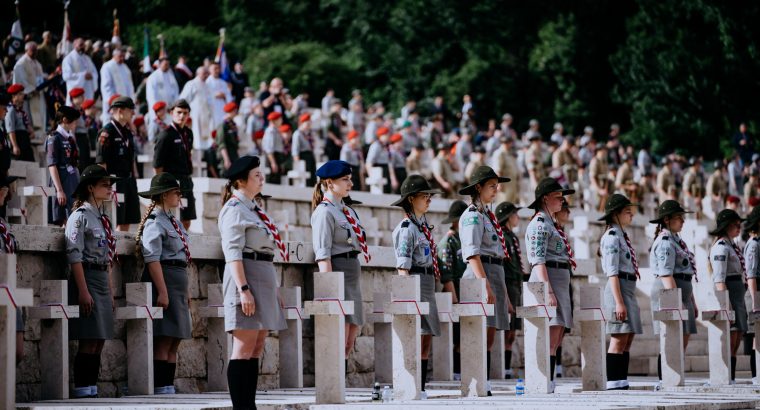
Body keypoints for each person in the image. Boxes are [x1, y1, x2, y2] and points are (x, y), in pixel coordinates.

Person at [219, 156, 287, 409]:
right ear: (241, 180)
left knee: (257, 345)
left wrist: (274, 287)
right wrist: (243, 289)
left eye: (261, 173)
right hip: (246, 275)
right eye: (256, 175)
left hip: (263, 274)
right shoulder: (234, 209)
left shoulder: (254, 208)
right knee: (244, 345)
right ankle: (241, 406)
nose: (262, 178)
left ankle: (250, 404)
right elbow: (233, 251)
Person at [458, 165, 514, 395]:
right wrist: (485, 284)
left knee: (490, 332)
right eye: (491, 186)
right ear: (478, 188)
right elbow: (472, 253)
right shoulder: (472, 216)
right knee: (479, 332)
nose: (496, 189)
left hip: (495, 272)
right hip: (481, 273)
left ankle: (484, 380)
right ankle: (475, 381)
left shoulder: (488, 215)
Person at [135, 173, 192, 394]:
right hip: (165, 280)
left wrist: (185, 290)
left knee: (176, 337)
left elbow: (183, 258)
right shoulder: (155, 222)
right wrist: (162, 291)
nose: (179, 196)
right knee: (164, 338)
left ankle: (168, 385)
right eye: (176, 192)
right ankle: (161, 386)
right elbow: (152, 258)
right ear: (164, 194)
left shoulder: (174, 222)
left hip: (178, 280)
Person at [65, 165, 119, 398]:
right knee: (88, 337)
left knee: (100, 338)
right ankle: (82, 388)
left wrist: (110, 288)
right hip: (86, 277)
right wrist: (83, 291)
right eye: (104, 185)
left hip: (100, 278)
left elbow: (107, 257)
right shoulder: (80, 217)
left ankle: (92, 386)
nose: (109, 189)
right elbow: (74, 255)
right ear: (90, 187)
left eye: (110, 185)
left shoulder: (101, 218)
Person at [311, 160, 371, 369]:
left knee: (350, 336)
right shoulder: (324, 212)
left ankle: (341, 381)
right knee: (340, 335)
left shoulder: (348, 211)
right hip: (337, 272)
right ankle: (335, 384)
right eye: (345, 180)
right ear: (329, 183)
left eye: (350, 179)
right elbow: (323, 253)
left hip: (352, 272)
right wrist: (329, 288)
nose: (350, 183)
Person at [391, 175, 443, 397]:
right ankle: (413, 384)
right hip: (415, 281)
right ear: (411, 199)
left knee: (427, 334)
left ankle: (421, 385)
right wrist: (406, 295)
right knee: (418, 334)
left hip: (427, 282)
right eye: (425, 196)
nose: (429, 199)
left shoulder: (422, 227)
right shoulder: (407, 228)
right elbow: (403, 265)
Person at [525, 177, 576, 392]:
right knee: (550, 336)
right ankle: (543, 381)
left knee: (556, 336)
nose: (562, 201)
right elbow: (538, 259)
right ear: (545, 198)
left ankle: (550, 381)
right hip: (549, 278)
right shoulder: (539, 224)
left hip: (560, 279)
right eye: (558, 197)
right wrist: (548, 289)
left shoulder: (551, 224)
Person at [648, 199, 698, 387]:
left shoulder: (678, 241)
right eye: (679, 217)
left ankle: (675, 377)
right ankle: (664, 379)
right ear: (667, 220)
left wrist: (691, 300)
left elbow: (686, 273)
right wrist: (677, 300)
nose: (683, 221)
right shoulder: (665, 242)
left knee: (682, 338)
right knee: (670, 339)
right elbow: (666, 273)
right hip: (670, 292)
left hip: (682, 292)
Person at [598, 194, 643, 390]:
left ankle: (621, 380)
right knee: (618, 336)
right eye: (627, 211)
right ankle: (614, 382)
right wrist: (618, 302)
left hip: (628, 288)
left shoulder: (622, 236)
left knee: (628, 336)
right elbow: (612, 272)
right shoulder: (611, 238)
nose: (631, 214)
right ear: (615, 214)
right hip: (619, 288)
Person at [709, 208, 748, 383]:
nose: (739, 227)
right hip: (729, 292)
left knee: (738, 333)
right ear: (726, 226)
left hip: (738, 294)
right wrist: (726, 303)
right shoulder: (721, 248)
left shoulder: (732, 245)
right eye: (735, 224)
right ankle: (726, 376)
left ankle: (730, 376)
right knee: (731, 336)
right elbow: (719, 277)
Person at [95, 96, 140, 231]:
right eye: (130, 110)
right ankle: (114, 250)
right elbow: (101, 162)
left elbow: (131, 158)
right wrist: (105, 184)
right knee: (115, 219)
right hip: (114, 181)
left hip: (129, 179)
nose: (133, 113)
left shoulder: (127, 132)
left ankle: (122, 252)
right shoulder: (107, 132)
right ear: (120, 110)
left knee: (127, 219)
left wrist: (134, 177)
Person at [153, 99, 196, 230]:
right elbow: (158, 164)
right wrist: (162, 187)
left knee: (186, 220)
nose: (182, 116)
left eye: (185, 113)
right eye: (179, 112)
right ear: (171, 113)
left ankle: (183, 246)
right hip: (172, 181)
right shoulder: (166, 135)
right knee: (171, 218)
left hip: (186, 180)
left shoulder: (188, 133)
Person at [438, 200, 467, 378]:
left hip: (465, 288)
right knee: (456, 336)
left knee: (464, 335)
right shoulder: (448, 241)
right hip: (454, 291)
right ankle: (455, 372)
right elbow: (445, 272)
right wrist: (454, 297)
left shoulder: (463, 240)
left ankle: (461, 370)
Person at [495, 201, 524, 379]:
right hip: (507, 283)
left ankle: (506, 365)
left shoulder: (512, 237)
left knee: (513, 329)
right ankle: (503, 367)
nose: (517, 217)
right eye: (514, 213)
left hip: (516, 284)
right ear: (507, 216)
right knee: (507, 327)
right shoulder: (502, 237)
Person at [46, 105, 82, 226]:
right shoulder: (54, 138)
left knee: (74, 216)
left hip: (72, 180)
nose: (76, 124)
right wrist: (59, 190)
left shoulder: (69, 137)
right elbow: (52, 165)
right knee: (64, 219)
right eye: (74, 121)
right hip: (62, 180)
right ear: (65, 120)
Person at [0, 176, 22, 363]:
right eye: (3, 188)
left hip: (10, 289)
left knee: (17, 351)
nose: (6, 191)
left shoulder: (2, 222)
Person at [180, 66, 215, 172]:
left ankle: (202, 163)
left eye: (207, 73)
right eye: (204, 73)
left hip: (205, 117)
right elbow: (183, 99)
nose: (206, 75)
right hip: (194, 116)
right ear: (198, 73)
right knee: (195, 139)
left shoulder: (207, 86)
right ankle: (194, 164)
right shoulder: (191, 84)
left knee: (204, 141)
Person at [12, 42, 47, 133]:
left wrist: (47, 78)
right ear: (26, 50)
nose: (35, 53)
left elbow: (40, 77)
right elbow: (21, 81)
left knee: (41, 118)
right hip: (28, 97)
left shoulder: (38, 64)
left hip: (38, 95)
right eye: (33, 51)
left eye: (36, 51)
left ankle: (40, 137)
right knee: (30, 118)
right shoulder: (21, 64)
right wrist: (31, 89)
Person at [743, 206, 760, 384]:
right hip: (756, 293)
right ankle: (756, 375)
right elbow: (752, 275)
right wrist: (755, 303)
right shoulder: (754, 245)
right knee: (757, 338)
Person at [99, 48, 135, 123]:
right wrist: (113, 101)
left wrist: (131, 99)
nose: (122, 58)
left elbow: (130, 85)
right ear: (114, 55)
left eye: (123, 56)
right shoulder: (107, 66)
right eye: (120, 56)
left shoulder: (125, 68)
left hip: (125, 102)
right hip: (113, 102)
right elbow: (106, 86)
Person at [62, 38, 99, 105]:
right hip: (76, 93)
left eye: (84, 45)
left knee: (87, 112)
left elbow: (94, 72)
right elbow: (66, 76)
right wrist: (83, 75)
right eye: (81, 45)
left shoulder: (87, 58)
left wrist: (92, 76)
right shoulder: (68, 59)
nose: (83, 47)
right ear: (74, 45)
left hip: (88, 90)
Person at [5, 83, 35, 161]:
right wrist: (15, 146)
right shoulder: (10, 110)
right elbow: (11, 130)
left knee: (31, 163)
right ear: (13, 96)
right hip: (18, 140)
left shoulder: (20, 110)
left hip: (24, 140)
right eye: (20, 94)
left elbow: (26, 124)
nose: (23, 96)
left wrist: (31, 132)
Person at [365, 127, 395, 193]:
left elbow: (389, 162)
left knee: (387, 191)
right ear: (381, 135)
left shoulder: (387, 146)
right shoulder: (376, 146)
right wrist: (372, 176)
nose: (388, 136)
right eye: (386, 135)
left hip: (385, 170)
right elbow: (369, 162)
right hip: (378, 170)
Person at [292, 113, 316, 186]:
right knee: (305, 179)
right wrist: (298, 163)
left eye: (310, 123)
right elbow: (295, 150)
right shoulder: (298, 134)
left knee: (312, 177)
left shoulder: (309, 133)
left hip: (310, 156)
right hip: (303, 156)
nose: (309, 125)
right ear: (302, 123)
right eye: (307, 123)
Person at [206, 62, 233, 128]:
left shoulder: (223, 82)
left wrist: (224, 96)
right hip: (212, 109)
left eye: (218, 68)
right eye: (215, 68)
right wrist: (214, 95)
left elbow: (229, 96)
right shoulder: (206, 82)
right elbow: (204, 96)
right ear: (210, 70)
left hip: (222, 108)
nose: (217, 70)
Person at [216, 101, 240, 174]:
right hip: (226, 158)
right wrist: (226, 159)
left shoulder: (233, 125)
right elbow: (221, 144)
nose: (236, 112)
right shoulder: (223, 125)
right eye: (235, 110)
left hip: (234, 157)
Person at [262, 111, 286, 184]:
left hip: (277, 157)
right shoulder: (270, 131)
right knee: (272, 180)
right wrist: (273, 163)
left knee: (277, 180)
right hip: (273, 157)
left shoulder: (276, 130)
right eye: (279, 119)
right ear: (274, 121)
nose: (281, 120)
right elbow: (269, 149)